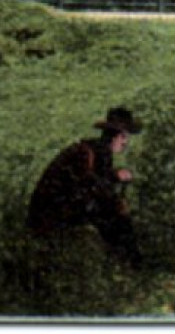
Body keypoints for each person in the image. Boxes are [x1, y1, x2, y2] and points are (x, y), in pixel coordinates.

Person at [27, 106, 144, 267]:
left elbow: (97, 188)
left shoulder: (100, 153)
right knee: (112, 214)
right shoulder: (86, 153)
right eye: (124, 136)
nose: (125, 142)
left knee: (114, 212)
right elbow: (88, 185)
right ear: (114, 135)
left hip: (65, 206)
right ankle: (131, 262)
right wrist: (115, 177)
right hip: (50, 212)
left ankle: (127, 261)